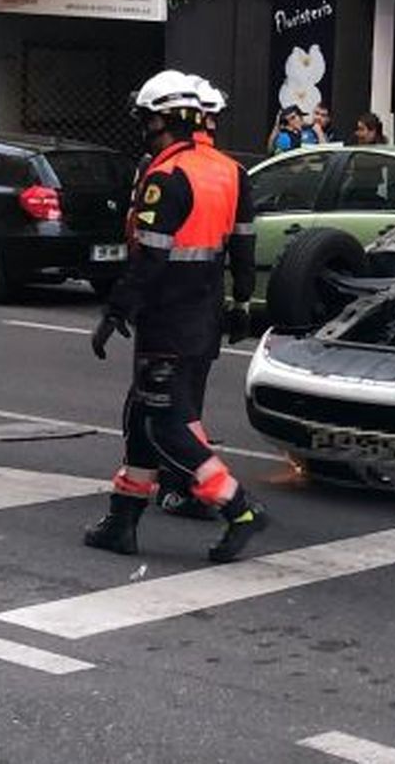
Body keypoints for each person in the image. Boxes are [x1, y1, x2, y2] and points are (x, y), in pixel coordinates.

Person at [86, 70, 267, 563]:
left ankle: (239, 507)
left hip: (165, 320)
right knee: (144, 419)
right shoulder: (231, 172)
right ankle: (121, 522)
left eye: (147, 118)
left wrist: (115, 310)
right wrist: (241, 303)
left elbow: (150, 257)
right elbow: (244, 246)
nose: (144, 126)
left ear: (166, 119)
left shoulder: (167, 176)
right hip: (204, 317)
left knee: (164, 424)